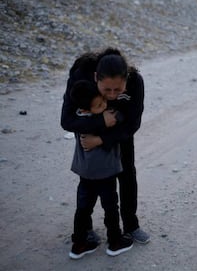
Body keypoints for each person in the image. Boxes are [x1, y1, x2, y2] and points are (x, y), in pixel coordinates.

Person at [61, 48, 150, 246]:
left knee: (127, 173)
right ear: (95, 78)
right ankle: (85, 229)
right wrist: (100, 122)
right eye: (106, 90)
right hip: (90, 129)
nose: (111, 95)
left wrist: (103, 139)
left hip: (120, 130)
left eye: (117, 90)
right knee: (89, 181)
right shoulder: (80, 76)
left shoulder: (136, 82)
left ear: (126, 79)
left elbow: (133, 124)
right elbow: (67, 120)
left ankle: (130, 225)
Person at [68, 80, 133, 259]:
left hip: (85, 175)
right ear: (86, 110)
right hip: (106, 173)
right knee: (111, 207)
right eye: (99, 105)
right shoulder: (105, 118)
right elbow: (120, 118)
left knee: (83, 208)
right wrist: (111, 116)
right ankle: (115, 241)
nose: (105, 105)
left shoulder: (78, 121)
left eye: (103, 101)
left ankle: (79, 244)